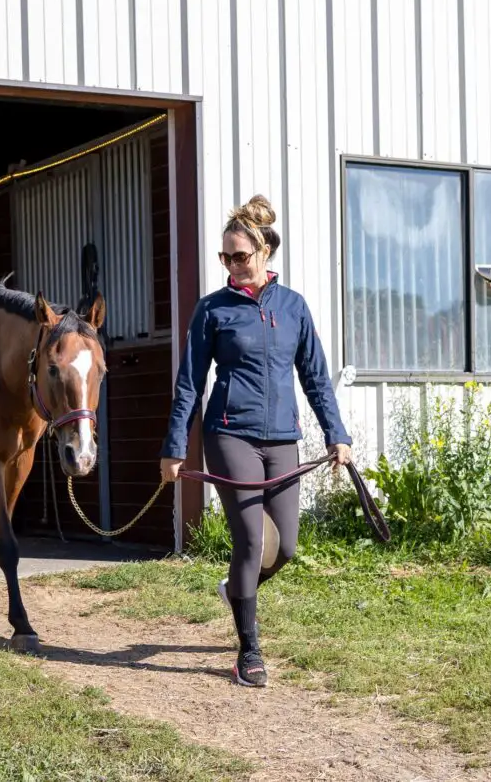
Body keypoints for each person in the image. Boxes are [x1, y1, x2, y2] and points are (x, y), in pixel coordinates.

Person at [159, 194, 351, 688]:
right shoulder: (212, 310)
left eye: (239, 256)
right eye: (225, 257)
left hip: (282, 437)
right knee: (250, 541)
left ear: (264, 251)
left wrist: (337, 435)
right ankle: (249, 650)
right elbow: (189, 383)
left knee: (284, 548)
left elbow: (315, 378)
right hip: (230, 435)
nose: (232, 265)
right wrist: (175, 446)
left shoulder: (293, 308)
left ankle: (237, 592)